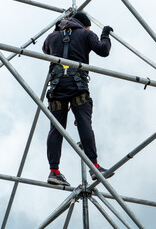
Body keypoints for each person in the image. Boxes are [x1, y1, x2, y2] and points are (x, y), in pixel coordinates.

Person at [42, 12, 114, 186]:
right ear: (84, 25)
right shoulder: (86, 33)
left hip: (57, 88)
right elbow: (103, 50)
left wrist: (58, 29)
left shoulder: (52, 37)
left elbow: (45, 50)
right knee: (84, 124)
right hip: (77, 87)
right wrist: (104, 34)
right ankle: (94, 167)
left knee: (56, 129)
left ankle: (54, 171)